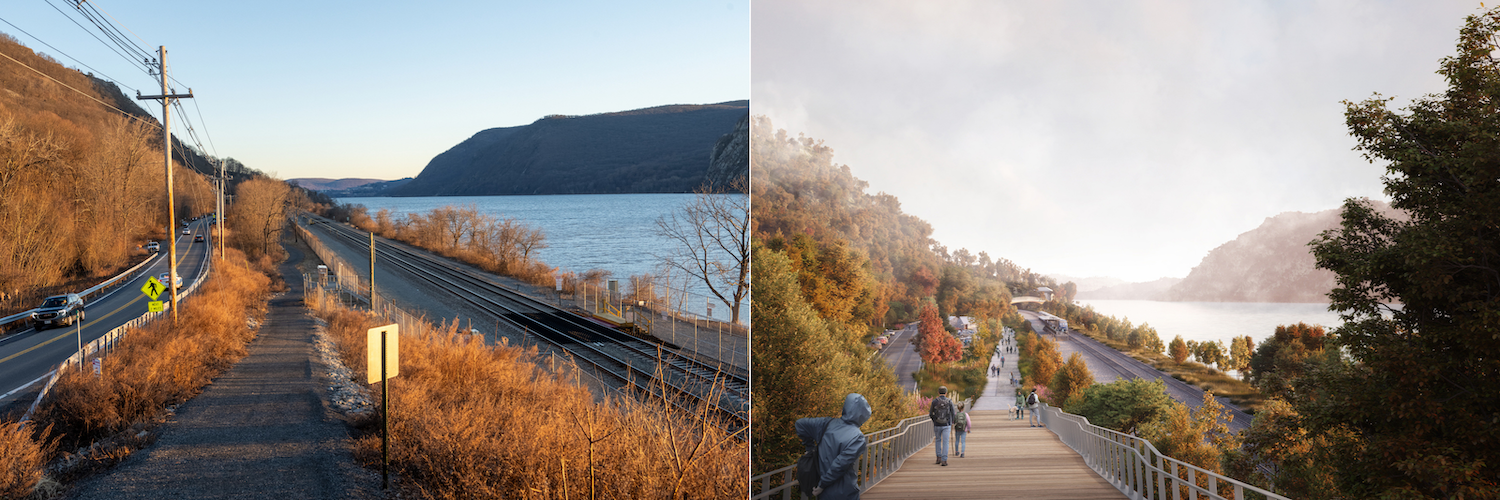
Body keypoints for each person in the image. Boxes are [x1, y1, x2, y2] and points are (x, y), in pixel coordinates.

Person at [796, 393, 872, 500]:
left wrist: (810, 448)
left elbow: (800, 424)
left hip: (824, 493)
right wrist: (822, 485)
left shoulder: (826, 423)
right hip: (844, 491)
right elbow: (840, 465)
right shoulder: (857, 437)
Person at [929, 386, 957, 466]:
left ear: (938, 393)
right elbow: (953, 413)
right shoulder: (949, 401)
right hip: (946, 424)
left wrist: (935, 420)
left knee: (938, 440)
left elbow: (931, 414)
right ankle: (944, 460)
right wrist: (952, 422)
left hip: (937, 424)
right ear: (946, 393)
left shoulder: (934, 401)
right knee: (945, 442)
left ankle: (938, 458)